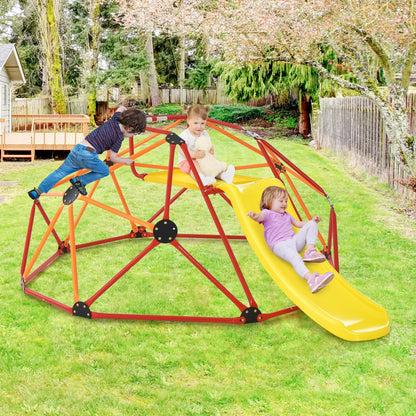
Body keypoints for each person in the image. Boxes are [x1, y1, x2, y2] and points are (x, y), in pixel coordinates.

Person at [28, 106, 147, 202]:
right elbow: (113, 157)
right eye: (134, 134)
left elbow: (121, 107)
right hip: (88, 155)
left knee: (60, 172)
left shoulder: (114, 118)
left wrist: (131, 112)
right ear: (130, 128)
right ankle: (80, 181)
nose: (131, 137)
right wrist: (126, 160)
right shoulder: (118, 138)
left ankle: (38, 191)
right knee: (104, 171)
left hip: (78, 149)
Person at [247, 186, 334, 294]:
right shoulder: (267, 213)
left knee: (312, 224)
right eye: (281, 201)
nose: (284, 203)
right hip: (280, 245)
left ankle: (310, 251)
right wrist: (254, 216)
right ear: (269, 202)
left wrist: (312, 221)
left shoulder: (286, 215)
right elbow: (260, 217)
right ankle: (312, 279)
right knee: (295, 258)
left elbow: (298, 224)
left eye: (286, 201)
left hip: (293, 241)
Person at [178, 104, 235, 186]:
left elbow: (208, 145)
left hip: (202, 160)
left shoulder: (204, 133)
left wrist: (211, 150)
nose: (199, 126)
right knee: (195, 165)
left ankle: (223, 175)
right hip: (187, 162)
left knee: (212, 166)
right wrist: (196, 154)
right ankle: (200, 179)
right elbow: (182, 151)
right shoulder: (185, 135)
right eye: (196, 123)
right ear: (188, 121)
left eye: (202, 123)